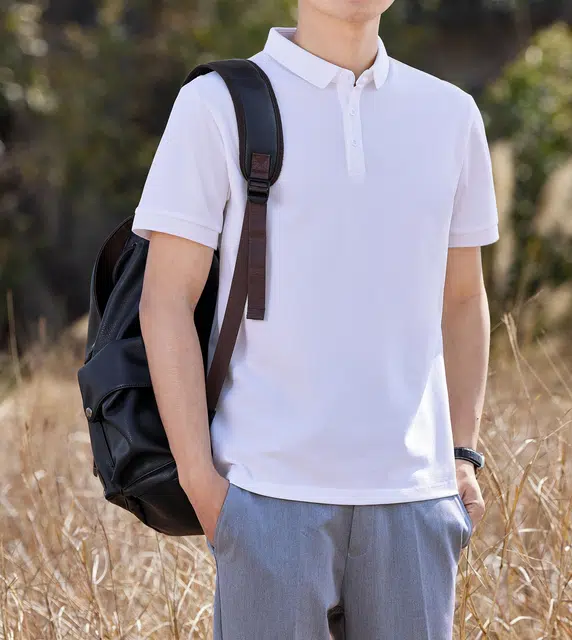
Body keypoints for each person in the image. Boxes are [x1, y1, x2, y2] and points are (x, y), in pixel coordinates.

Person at [131, 0, 499, 637]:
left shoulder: (450, 113)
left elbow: (464, 298)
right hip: (265, 496)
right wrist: (200, 480)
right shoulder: (214, 104)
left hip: (415, 501)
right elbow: (166, 296)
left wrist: (461, 456)